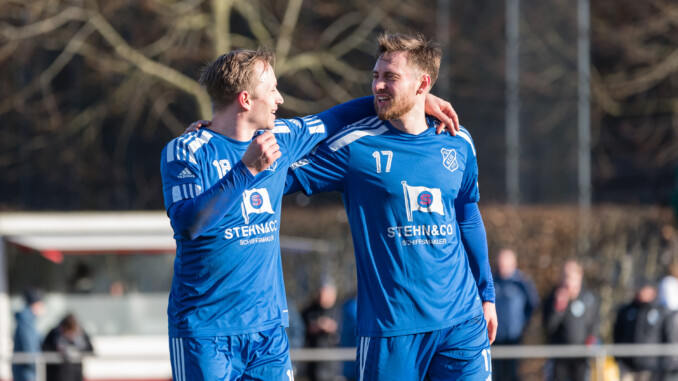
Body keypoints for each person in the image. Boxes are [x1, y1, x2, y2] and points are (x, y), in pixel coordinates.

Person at [160, 47, 459, 380]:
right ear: (246, 100)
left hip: (267, 333)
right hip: (205, 330)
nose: (280, 98)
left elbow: (333, 118)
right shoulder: (186, 149)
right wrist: (245, 171)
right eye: (272, 89)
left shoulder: (280, 139)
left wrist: (418, 101)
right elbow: (188, 225)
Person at [287, 32, 496, 380]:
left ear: (422, 84)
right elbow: (278, 173)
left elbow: (468, 216)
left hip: (462, 323)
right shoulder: (356, 146)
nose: (378, 85)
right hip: (391, 333)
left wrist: (486, 294)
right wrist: (223, 140)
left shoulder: (458, 141)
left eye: (390, 77)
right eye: (375, 76)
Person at [542, 259, 599, 381]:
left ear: (579, 275)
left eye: (571, 276)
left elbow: (595, 324)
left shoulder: (589, 298)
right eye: (565, 276)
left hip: (581, 359)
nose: (567, 281)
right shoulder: (553, 297)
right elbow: (548, 326)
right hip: (559, 358)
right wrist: (558, 307)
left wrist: (592, 341)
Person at [492, 248, 540, 381]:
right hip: (495, 337)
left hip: (514, 337)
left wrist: (523, 324)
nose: (502, 268)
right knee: (496, 374)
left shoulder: (522, 282)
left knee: (512, 374)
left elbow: (533, 305)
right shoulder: (492, 281)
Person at [613, 280, 666, 381]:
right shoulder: (626, 311)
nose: (642, 292)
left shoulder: (661, 312)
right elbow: (617, 334)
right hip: (627, 364)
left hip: (650, 367)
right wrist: (617, 357)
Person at [302, 280, 340, 381]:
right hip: (313, 365)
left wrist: (330, 326)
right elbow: (302, 331)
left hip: (333, 366)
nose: (323, 298)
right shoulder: (309, 311)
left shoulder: (339, 310)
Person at [42, 313, 94, 381]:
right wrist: (60, 352)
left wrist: (77, 353)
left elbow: (90, 349)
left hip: (75, 374)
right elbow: (45, 350)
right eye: (68, 332)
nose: (70, 336)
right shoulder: (54, 334)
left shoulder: (81, 335)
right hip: (56, 374)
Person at [12, 288, 46, 381]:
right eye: (41, 304)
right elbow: (29, 350)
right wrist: (39, 367)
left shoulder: (28, 322)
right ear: (35, 304)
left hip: (29, 373)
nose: (43, 307)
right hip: (27, 374)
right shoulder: (25, 324)